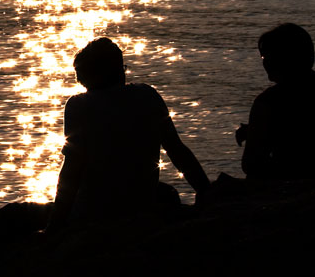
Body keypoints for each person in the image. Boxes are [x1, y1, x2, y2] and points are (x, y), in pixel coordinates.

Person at [47, 37, 210, 230]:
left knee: (17, 214)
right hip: (142, 205)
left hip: (94, 214)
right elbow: (177, 151)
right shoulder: (148, 95)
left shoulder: (78, 106)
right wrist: (207, 193)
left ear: (86, 77)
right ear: (120, 70)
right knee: (168, 193)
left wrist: (55, 226)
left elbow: (71, 170)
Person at [237, 23, 315, 180]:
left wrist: (257, 132)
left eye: (266, 56)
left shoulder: (267, 102)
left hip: (292, 185)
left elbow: (251, 165)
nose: (264, 62)